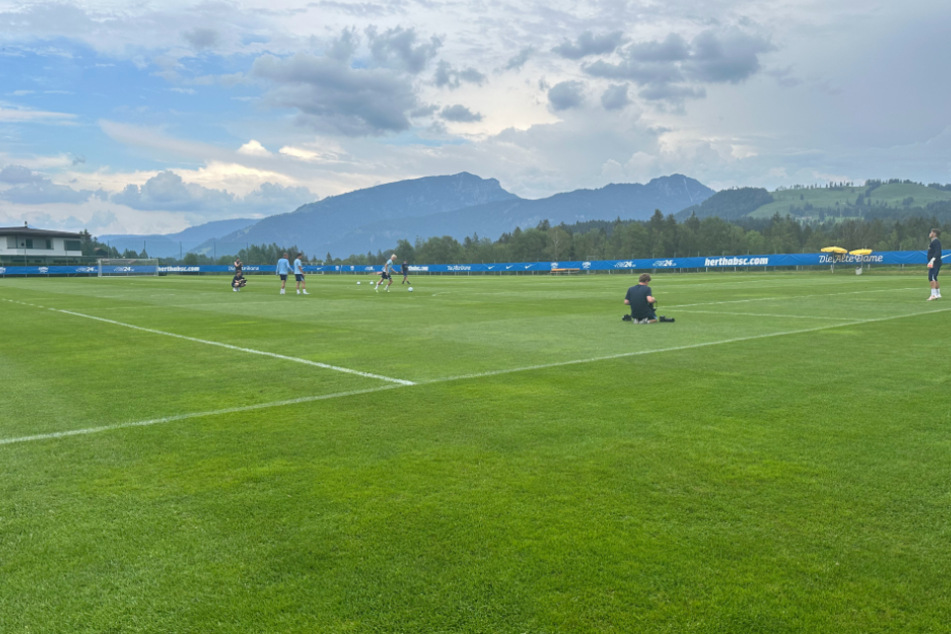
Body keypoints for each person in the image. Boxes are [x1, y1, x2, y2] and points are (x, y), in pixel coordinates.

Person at [927, 228, 942, 301]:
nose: (930, 233)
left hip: (935, 262)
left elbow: (937, 252)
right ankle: (938, 293)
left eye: (931, 232)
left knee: (931, 277)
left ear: (934, 234)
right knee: (934, 277)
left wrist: (933, 260)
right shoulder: (933, 242)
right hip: (934, 261)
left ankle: (933, 294)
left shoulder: (936, 242)